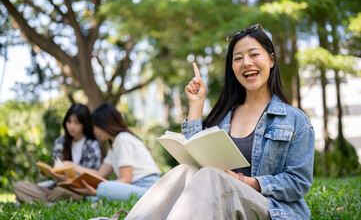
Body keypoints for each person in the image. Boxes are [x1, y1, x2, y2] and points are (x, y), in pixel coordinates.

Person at [125, 23, 315, 220]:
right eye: (238, 58)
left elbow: (297, 183)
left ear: (271, 60)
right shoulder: (224, 117)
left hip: (272, 210)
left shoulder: (295, 120)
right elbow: (195, 161)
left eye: (254, 54)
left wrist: (242, 180)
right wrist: (196, 105)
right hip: (219, 204)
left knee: (210, 175)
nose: (246, 63)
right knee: (184, 170)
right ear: (232, 67)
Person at [63, 103, 161, 201]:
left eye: (96, 126)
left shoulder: (123, 139)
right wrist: (72, 166)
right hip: (136, 187)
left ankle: (98, 196)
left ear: (104, 124)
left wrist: (96, 191)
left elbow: (126, 179)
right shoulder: (114, 146)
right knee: (96, 192)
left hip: (147, 187)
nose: (95, 131)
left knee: (103, 187)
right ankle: (98, 196)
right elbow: (100, 174)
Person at [14, 103, 102, 204]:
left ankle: (42, 202)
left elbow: (92, 178)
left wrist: (71, 167)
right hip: (57, 186)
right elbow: (58, 172)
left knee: (62, 191)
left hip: (78, 191)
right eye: (69, 122)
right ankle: (49, 203)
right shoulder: (60, 142)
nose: (71, 126)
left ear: (84, 124)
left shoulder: (92, 145)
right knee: (20, 186)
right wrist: (49, 172)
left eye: (77, 123)